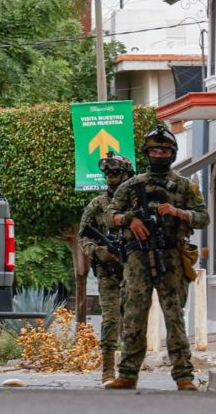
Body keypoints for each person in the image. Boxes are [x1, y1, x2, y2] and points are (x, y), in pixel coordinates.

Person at [105, 125, 208, 392]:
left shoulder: (185, 186)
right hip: (138, 258)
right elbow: (110, 216)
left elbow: (202, 217)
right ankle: (127, 374)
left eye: (163, 150)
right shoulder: (131, 186)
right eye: (153, 149)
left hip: (171, 256)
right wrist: (131, 219)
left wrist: (177, 212)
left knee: (175, 317)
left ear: (172, 154)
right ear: (146, 152)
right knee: (134, 316)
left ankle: (184, 376)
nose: (158, 154)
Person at [79, 151, 134, 387]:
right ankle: (108, 372)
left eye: (116, 172)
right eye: (108, 172)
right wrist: (100, 252)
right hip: (108, 271)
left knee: (133, 323)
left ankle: (129, 373)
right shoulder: (97, 205)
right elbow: (83, 236)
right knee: (111, 321)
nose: (111, 176)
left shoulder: (136, 204)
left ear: (126, 175)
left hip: (134, 271)